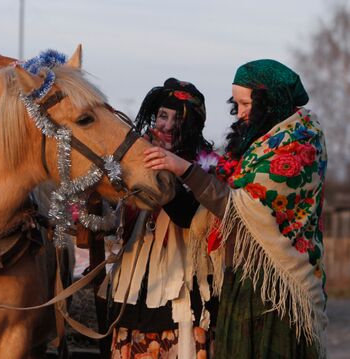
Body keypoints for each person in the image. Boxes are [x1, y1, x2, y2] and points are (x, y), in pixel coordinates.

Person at [144, 60, 328, 358]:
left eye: (246, 103)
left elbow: (239, 208)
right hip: (243, 276)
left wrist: (183, 169)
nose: (240, 112)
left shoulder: (299, 145)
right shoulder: (258, 144)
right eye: (236, 103)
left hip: (278, 289)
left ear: (271, 101)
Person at [103, 78, 219, 359]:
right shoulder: (136, 162)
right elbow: (116, 223)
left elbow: (190, 218)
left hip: (182, 291)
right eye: (162, 116)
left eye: (176, 119)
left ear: (192, 125)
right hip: (135, 287)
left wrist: (170, 170)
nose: (165, 126)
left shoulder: (209, 167)